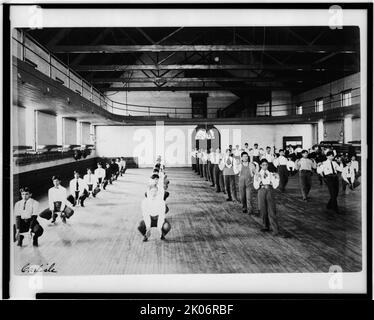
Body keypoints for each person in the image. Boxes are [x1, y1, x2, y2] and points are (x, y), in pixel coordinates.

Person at [254, 159, 281, 236]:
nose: (265, 166)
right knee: (262, 209)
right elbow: (256, 187)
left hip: (270, 191)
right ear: (260, 166)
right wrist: (256, 179)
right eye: (263, 165)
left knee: (272, 210)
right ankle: (265, 226)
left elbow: (275, 186)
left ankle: (275, 229)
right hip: (261, 191)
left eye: (266, 165)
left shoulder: (271, 174)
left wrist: (277, 178)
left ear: (267, 165)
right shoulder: (258, 174)